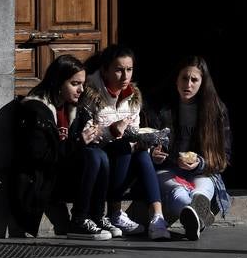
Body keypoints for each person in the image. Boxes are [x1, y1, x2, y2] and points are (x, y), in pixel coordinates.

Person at [10, 53, 121, 241]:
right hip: (43, 180)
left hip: (65, 175)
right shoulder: (36, 110)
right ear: (58, 82)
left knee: (99, 154)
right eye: (75, 84)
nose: (81, 90)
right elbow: (41, 156)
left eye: (82, 84)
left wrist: (91, 134)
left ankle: (96, 216)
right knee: (93, 156)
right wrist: (78, 142)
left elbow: (74, 144)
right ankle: (78, 220)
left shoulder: (73, 107)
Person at [83, 44, 171, 240]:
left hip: (125, 162)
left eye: (129, 70)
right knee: (123, 146)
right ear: (105, 70)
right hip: (99, 166)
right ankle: (114, 212)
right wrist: (114, 129)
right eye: (118, 70)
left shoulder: (133, 96)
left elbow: (135, 132)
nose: (125, 77)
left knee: (140, 153)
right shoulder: (89, 94)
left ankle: (157, 217)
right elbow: (88, 135)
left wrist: (147, 145)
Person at [146, 55, 232, 241]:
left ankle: (195, 213)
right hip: (168, 168)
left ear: (203, 83)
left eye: (194, 80)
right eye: (184, 78)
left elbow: (224, 156)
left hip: (202, 170)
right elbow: (148, 140)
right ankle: (196, 217)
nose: (188, 84)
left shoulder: (216, 111)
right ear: (176, 79)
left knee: (203, 188)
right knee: (177, 191)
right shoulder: (161, 108)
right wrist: (154, 154)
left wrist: (200, 163)